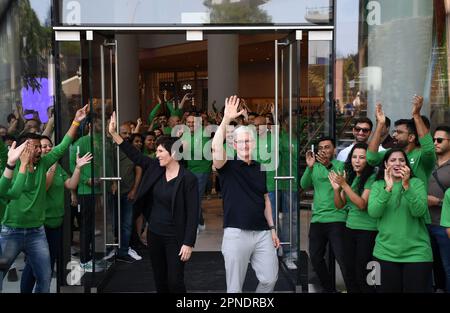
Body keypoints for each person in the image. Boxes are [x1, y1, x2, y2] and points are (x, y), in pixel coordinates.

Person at [0, 104, 89, 293]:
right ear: (24, 149)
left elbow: (63, 145)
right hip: (11, 231)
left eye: (41, 147)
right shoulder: (10, 167)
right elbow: (13, 192)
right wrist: (18, 164)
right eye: (35, 147)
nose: (40, 150)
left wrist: (75, 121)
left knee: (45, 276)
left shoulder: (44, 162)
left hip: (36, 232)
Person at [108, 112, 199, 293]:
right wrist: (114, 134)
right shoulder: (155, 168)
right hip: (155, 235)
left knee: (175, 282)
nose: (156, 155)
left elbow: (193, 212)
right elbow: (134, 155)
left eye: (160, 151)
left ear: (173, 152)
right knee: (160, 280)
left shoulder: (188, 178)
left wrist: (188, 242)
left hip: (176, 238)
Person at [212, 95, 280, 293]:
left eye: (248, 141)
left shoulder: (260, 167)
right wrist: (226, 119)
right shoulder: (227, 166)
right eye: (241, 142)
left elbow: (265, 199)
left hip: (262, 233)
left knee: (270, 278)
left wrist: (273, 229)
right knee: (234, 289)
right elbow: (216, 147)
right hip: (236, 233)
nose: (245, 145)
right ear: (234, 145)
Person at [20, 136, 93, 292]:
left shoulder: (58, 167)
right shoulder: (37, 167)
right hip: (40, 225)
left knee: (49, 263)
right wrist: (52, 166)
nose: (47, 149)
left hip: (56, 222)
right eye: (43, 146)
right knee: (33, 265)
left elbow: (71, 184)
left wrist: (78, 168)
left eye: (49, 146)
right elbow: (44, 187)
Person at [368, 148, 432, 292]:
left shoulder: (417, 183)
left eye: (402, 160)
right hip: (384, 253)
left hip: (417, 254)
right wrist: (388, 188)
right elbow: (373, 212)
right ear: (385, 164)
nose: (397, 163)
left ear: (407, 165)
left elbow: (419, 211)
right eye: (393, 160)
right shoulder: (378, 185)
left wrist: (406, 186)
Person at [300, 136, 352, 293]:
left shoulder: (340, 165)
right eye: (321, 148)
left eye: (327, 147)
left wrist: (328, 165)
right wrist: (309, 167)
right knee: (315, 258)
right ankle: (330, 289)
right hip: (318, 219)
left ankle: (352, 289)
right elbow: (303, 185)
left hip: (338, 218)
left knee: (342, 259)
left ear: (334, 150)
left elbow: (339, 180)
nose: (324, 150)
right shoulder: (314, 167)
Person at [329, 143, 377, 293]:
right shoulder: (350, 177)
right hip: (349, 228)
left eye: (361, 157)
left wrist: (344, 185)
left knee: (363, 272)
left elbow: (362, 204)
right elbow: (339, 205)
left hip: (368, 230)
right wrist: (337, 190)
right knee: (349, 270)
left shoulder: (372, 177)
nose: (357, 161)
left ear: (368, 160)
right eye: (354, 157)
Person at [427, 125, 450, 292]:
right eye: (434, 139)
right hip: (425, 224)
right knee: (431, 267)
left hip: (445, 226)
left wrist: (438, 202)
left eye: (440, 140)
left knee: (447, 267)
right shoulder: (428, 163)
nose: (435, 143)